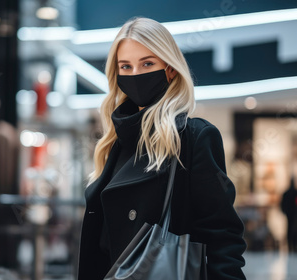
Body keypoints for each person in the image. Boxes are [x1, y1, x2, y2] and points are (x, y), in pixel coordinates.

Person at [77, 17, 246, 279]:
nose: (135, 75)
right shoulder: (114, 143)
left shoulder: (193, 138)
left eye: (147, 63)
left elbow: (222, 236)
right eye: (126, 66)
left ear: (169, 68)